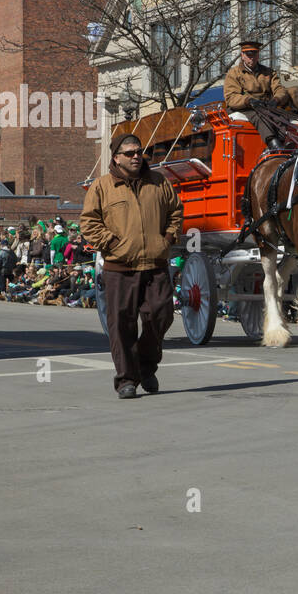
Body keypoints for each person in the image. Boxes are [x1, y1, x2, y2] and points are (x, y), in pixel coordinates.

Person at [80, 132, 184, 399]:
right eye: (130, 153)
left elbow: (176, 211)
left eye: (139, 151)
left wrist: (168, 238)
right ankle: (127, 379)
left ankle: (145, 366)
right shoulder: (102, 187)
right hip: (119, 267)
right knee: (121, 326)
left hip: (155, 263)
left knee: (161, 316)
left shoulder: (158, 182)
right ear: (116, 157)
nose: (137, 156)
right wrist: (113, 244)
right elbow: (89, 223)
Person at [224, 36, 298, 152]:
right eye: (248, 55)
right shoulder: (233, 73)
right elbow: (231, 97)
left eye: (254, 54)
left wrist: (276, 100)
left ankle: (283, 141)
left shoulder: (268, 72)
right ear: (242, 55)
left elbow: (280, 89)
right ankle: (274, 145)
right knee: (259, 116)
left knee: (282, 115)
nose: (251, 58)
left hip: (265, 106)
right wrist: (248, 101)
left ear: (258, 55)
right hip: (245, 108)